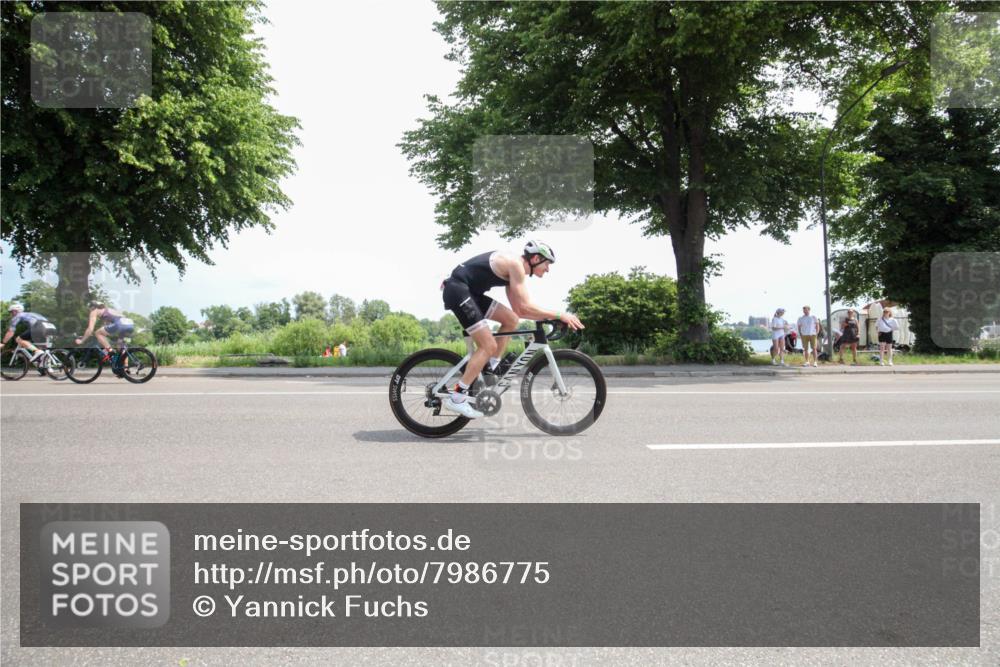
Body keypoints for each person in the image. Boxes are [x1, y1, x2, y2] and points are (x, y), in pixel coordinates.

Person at [440, 240, 584, 418]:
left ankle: (490, 369)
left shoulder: (515, 270)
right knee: (488, 345)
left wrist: (550, 316)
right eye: (547, 263)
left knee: (511, 319)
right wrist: (559, 315)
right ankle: (457, 397)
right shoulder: (515, 265)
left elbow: (518, 310)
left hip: (469, 292)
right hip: (459, 290)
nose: (548, 269)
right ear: (536, 258)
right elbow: (525, 308)